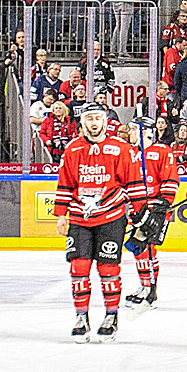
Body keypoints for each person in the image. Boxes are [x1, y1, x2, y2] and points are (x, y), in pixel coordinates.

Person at [54, 102, 146, 343]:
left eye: (97, 118)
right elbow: (65, 183)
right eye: (89, 119)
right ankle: (81, 318)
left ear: (105, 121)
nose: (93, 123)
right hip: (79, 217)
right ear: (82, 122)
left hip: (112, 216)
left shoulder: (121, 149)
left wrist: (141, 215)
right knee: (79, 268)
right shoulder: (72, 149)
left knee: (108, 269)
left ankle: (110, 317)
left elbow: (134, 183)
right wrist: (61, 214)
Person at [124, 116, 180, 310]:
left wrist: (164, 202)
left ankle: (151, 291)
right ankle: (144, 286)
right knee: (138, 249)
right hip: (136, 209)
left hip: (155, 209)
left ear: (145, 132)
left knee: (148, 250)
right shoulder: (131, 153)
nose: (129, 133)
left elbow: (171, 179)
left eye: (133, 129)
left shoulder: (162, 151)